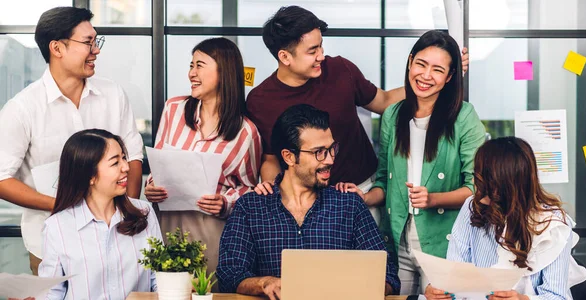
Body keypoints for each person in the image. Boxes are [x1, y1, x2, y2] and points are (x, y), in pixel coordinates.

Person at [248, 6, 470, 221]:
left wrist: (433, 79)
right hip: (303, 203)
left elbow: (384, 101)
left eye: (321, 47)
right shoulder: (260, 101)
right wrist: (277, 197)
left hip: (362, 191)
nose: (321, 56)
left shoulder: (340, 70)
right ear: (285, 57)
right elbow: (270, 158)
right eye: (312, 51)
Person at [337, 30, 486, 294]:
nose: (426, 76)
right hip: (397, 241)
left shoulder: (464, 116)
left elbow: (478, 188)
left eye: (438, 70)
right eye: (421, 64)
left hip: (444, 244)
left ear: (450, 77)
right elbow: (384, 180)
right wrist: (364, 197)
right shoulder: (393, 115)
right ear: (410, 62)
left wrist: (432, 199)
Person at [0, 6, 144, 275]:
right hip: (50, 245)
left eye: (96, 41)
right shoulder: (22, 109)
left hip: (116, 239)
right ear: (57, 48)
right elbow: (1, 178)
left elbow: (134, 155)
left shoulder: (113, 95)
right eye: (88, 42)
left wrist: (128, 210)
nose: (96, 50)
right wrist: (61, 205)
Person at [217, 104, 400, 300]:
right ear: (288, 156)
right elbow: (229, 274)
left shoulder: (349, 206)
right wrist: (264, 283)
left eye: (332, 149)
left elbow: (388, 275)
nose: (330, 159)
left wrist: (365, 288)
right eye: (319, 152)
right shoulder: (251, 207)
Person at [143, 37, 261, 282]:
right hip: (166, 223)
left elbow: (249, 189)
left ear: (224, 71)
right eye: (190, 65)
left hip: (210, 230)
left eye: (200, 65)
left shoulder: (246, 132)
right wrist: (151, 186)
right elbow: (160, 161)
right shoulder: (173, 109)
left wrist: (225, 203)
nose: (191, 73)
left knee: (207, 292)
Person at [425, 137, 586, 300]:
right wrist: (439, 290)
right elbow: (455, 274)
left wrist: (522, 299)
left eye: (482, 176)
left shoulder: (553, 224)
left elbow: (556, 296)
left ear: (505, 182)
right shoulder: (471, 206)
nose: (475, 181)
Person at [37, 129, 161, 299]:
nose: (126, 167)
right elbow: (51, 294)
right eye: (115, 162)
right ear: (90, 176)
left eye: (124, 158)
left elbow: (160, 279)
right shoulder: (57, 227)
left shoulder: (144, 213)